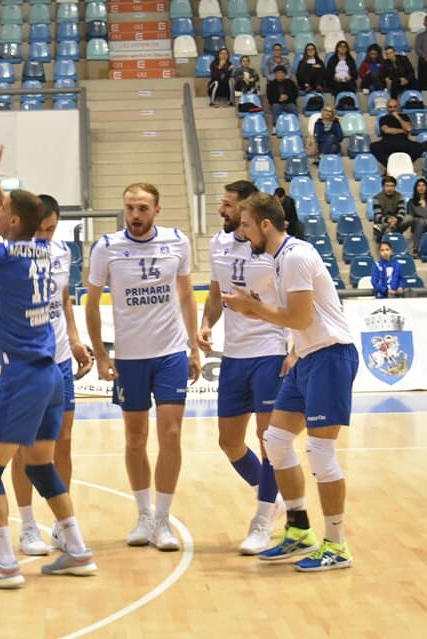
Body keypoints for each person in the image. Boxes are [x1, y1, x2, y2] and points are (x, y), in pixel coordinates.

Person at [0, 144, 97, 589]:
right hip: (50, 375)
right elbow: (14, 219)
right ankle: (77, 550)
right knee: (41, 466)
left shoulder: (4, 256)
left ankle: (6, 563)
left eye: (3, 212)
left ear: (11, 223)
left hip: (23, 375)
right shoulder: (46, 251)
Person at [223, 192, 359, 573]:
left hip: (331, 356)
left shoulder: (296, 256)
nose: (243, 233)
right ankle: (299, 529)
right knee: (276, 441)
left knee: (320, 452)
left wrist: (254, 308)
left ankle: (337, 545)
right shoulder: (280, 259)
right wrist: (275, 327)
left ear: (266, 225)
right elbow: (298, 318)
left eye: (247, 225)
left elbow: (298, 318)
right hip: (307, 356)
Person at [86, 183, 201, 552]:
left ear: (157, 210)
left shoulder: (177, 241)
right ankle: (143, 514)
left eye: (142, 208)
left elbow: (186, 294)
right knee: (135, 438)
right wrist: (101, 355)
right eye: (130, 208)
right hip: (129, 358)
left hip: (170, 353)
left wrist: (194, 347)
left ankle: (163, 518)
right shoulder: (106, 247)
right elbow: (91, 304)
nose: (134, 215)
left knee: (171, 434)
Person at [198, 181, 287, 555]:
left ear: (248, 210)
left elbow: (294, 304)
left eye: (229, 205)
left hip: (269, 350)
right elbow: (216, 293)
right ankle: (271, 497)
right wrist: (206, 323)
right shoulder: (218, 244)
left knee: (270, 442)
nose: (222, 210)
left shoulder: (275, 250)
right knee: (229, 442)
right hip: (234, 355)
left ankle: (262, 520)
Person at [9, 194, 92, 555]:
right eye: (40, 229)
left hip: (59, 359)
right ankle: (28, 525)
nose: (45, 235)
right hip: (26, 362)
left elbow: (64, 299)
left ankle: (61, 523)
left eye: (51, 229)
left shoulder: (61, 251)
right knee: (23, 445)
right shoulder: (12, 254)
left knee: (64, 441)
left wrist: (74, 339)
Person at [370, 98, 427, 167]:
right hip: (387, 141)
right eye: (390, 107)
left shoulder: (405, 117)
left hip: (403, 142)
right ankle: (389, 165)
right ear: (387, 108)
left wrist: (397, 117)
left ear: (398, 107)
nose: (392, 109)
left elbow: (408, 128)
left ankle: (405, 164)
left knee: (419, 148)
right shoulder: (383, 118)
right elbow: (387, 130)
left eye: (395, 107)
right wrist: (402, 131)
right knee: (373, 147)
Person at [372, 176, 412, 242]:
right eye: (387, 186)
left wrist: (396, 220)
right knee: (388, 230)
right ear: (383, 187)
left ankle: (383, 228)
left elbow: (401, 211)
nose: (389, 188)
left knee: (409, 218)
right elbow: (377, 215)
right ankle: (388, 233)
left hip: (395, 221)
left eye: (392, 186)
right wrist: (388, 220)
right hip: (384, 220)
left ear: (395, 187)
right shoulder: (377, 198)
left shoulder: (399, 196)